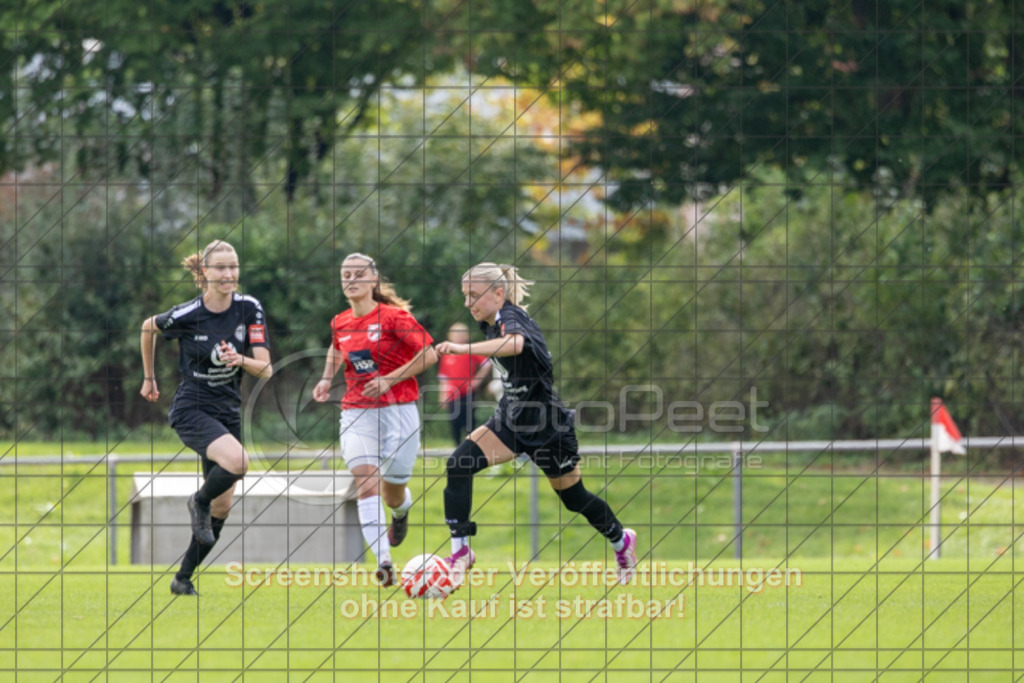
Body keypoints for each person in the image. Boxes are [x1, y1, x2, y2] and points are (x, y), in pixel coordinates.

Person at [436, 263, 638, 587]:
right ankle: (461, 552)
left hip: (547, 426)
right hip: (512, 419)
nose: (468, 303)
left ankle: (621, 541)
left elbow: (515, 344)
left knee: (573, 498)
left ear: (498, 294)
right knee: (459, 464)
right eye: (465, 296)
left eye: (474, 295)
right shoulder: (491, 322)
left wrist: (463, 348)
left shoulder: (511, 318)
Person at [139, 239, 273, 596]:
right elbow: (149, 326)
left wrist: (240, 360)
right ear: (204, 273)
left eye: (234, 266)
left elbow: (267, 369)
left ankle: (182, 578)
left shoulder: (250, 309)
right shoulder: (187, 314)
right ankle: (196, 500)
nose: (229, 274)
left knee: (223, 505)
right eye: (220, 267)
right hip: (192, 409)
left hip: (227, 411)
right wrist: (149, 377)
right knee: (240, 462)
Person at [312, 253, 438, 586]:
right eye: (346, 275)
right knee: (366, 482)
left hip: (400, 412)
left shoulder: (395, 318)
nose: (351, 280)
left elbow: (430, 353)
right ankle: (383, 562)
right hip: (357, 411)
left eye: (358, 274)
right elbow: (337, 348)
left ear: (373, 280)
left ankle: (401, 511)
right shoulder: (340, 321)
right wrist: (326, 378)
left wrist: (390, 379)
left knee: (392, 491)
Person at [437, 323, 492, 446]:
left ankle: (471, 446)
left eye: (462, 334)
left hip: (468, 392)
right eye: (456, 334)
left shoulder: (470, 350)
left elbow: (487, 364)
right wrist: (442, 395)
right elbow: (443, 377)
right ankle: (457, 447)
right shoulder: (447, 355)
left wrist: (477, 380)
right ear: (450, 336)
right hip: (452, 394)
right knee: (454, 420)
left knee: (469, 421)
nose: (459, 337)